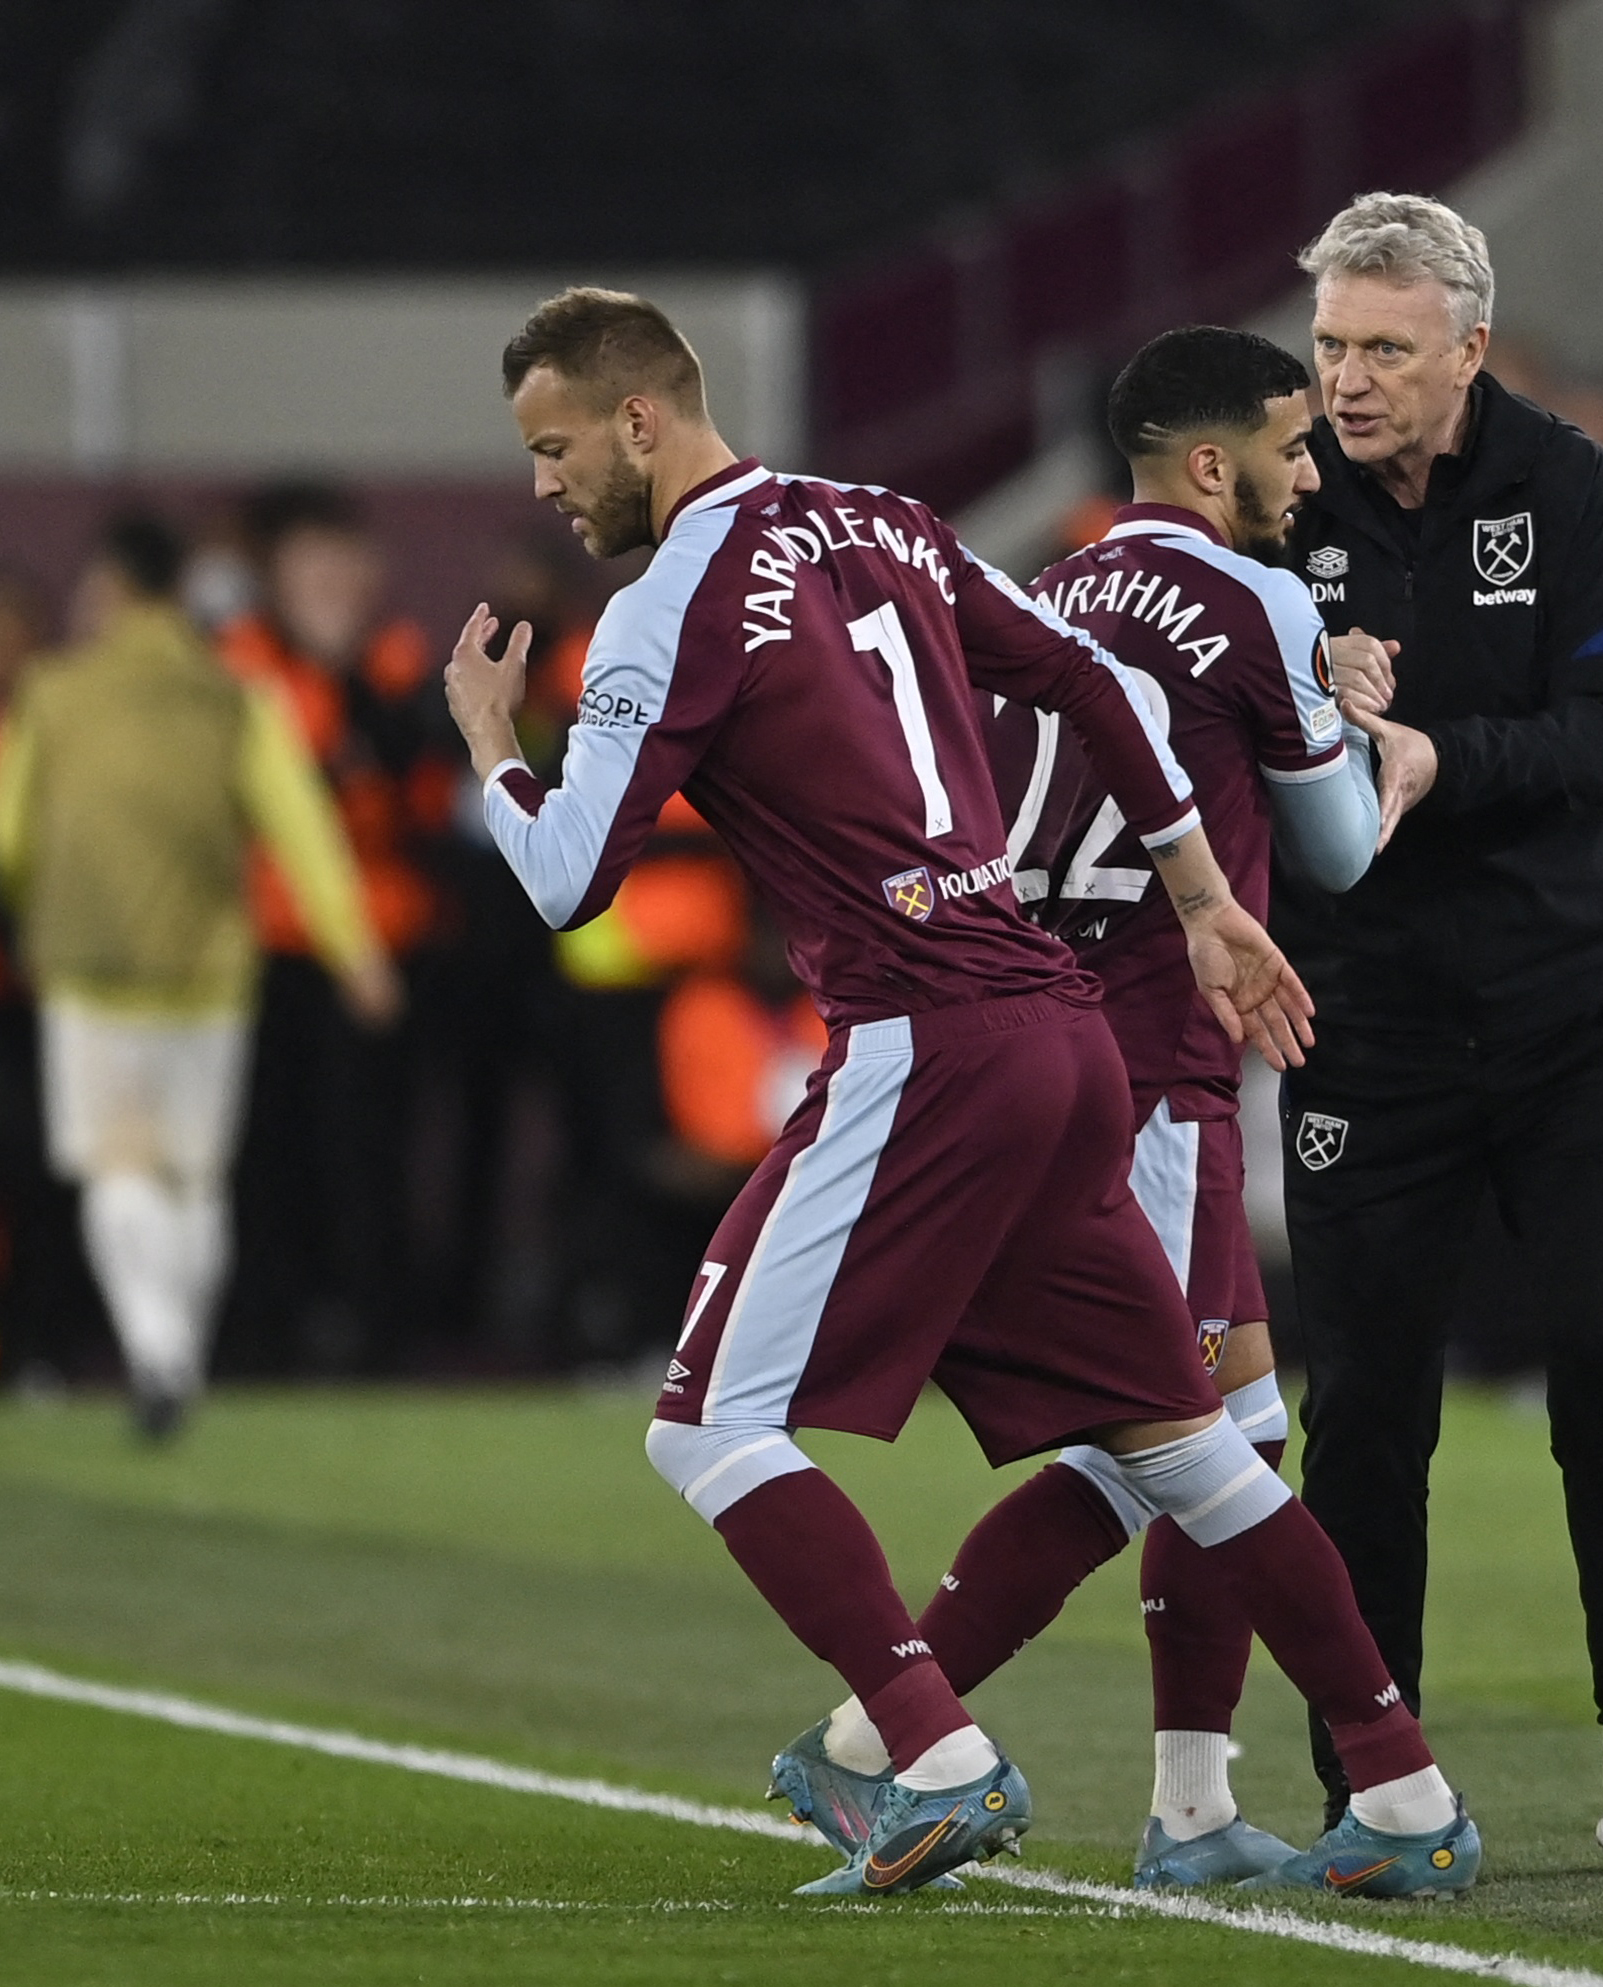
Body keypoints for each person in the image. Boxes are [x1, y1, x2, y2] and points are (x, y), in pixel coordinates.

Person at [445, 285, 1478, 1899]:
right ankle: (1405, 1793)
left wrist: (494, 749)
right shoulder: (885, 522)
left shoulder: (673, 599)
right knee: (1191, 1448)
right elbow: (1097, 686)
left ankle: (927, 1752)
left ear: (639, 418)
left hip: (926, 1037)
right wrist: (1205, 899)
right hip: (1064, 1032)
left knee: (707, 1426)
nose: (542, 482)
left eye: (552, 443)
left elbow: (575, 878)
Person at [764, 324, 1390, 1890]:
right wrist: (1396, 743)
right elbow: (1340, 853)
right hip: (1153, 1062)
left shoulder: (1046, 593)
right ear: (1206, 461)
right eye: (1288, 446)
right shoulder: (1256, 598)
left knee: (1229, 1422)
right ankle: (875, 1738)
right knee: (1164, 1445)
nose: (1309, 476)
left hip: (1053, 1033)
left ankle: (1191, 1804)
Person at [1273, 191, 1603, 1868]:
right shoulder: (1272, 500)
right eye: (1328, 345)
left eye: (1385, 348)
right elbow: (1209, 723)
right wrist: (1315, 712)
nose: (1349, 378)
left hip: (1570, 991)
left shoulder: (1572, 487)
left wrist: (1427, 756)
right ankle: (1367, 1778)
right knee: (1369, 1406)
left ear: (1468, 350)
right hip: (1365, 1012)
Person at [0, 513, 396, 1434]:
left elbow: (12, 836)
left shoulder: (56, 696)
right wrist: (357, 949)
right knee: (196, 1177)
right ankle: (177, 1349)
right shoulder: (237, 697)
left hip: (90, 972)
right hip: (210, 979)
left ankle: (158, 1348)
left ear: (109, 592)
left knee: (113, 1166)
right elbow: (304, 830)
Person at [217, 484, 456, 1371]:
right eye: (308, 564)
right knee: (266, 1154)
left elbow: (421, 798)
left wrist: (348, 685)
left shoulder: (397, 665)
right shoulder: (239, 663)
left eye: (341, 563)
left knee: (373, 1156)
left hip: (384, 950)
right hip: (269, 950)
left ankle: (375, 1337)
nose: (328, 582)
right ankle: (265, 1335)